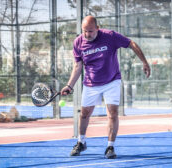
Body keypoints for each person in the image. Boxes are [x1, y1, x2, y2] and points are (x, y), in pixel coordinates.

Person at [60, 15, 150, 159]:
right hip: (90, 84)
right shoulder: (78, 43)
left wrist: (144, 62)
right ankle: (81, 142)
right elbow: (77, 66)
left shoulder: (110, 36)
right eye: (84, 31)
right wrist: (69, 85)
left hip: (112, 81)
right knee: (84, 114)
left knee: (112, 113)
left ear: (97, 28)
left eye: (90, 31)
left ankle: (110, 146)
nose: (87, 34)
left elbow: (131, 43)